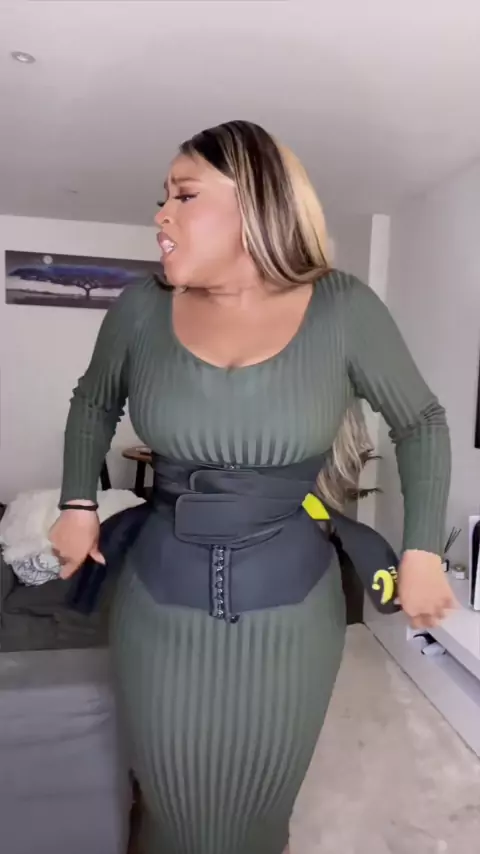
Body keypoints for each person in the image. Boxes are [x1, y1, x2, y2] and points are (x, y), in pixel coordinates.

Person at [49, 120, 455, 854]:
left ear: (256, 203)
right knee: (170, 807)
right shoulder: (140, 309)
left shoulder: (343, 307)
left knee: (261, 810)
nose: (161, 215)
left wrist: (422, 549)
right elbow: (92, 401)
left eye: (184, 195)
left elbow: (420, 420)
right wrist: (78, 503)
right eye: (162, 198)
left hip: (292, 610)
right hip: (157, 605)